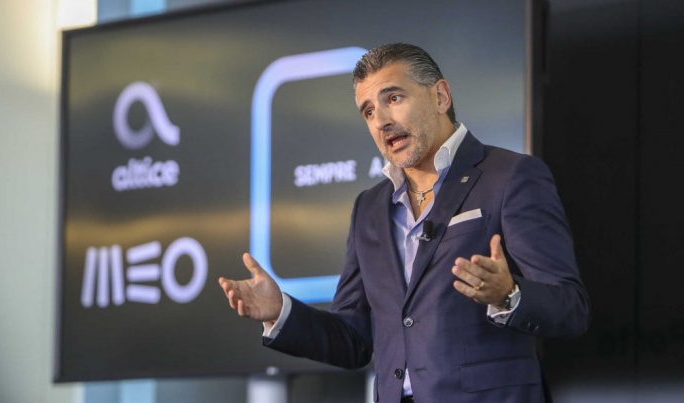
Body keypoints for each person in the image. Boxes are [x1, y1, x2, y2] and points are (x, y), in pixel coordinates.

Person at [219, 43, 590, 403]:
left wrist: (508, 294)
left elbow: (570, 308)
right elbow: (354, 339)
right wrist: (281, 311)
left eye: (393, 98)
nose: (381, 121)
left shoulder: (510, 176)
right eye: (368, 111)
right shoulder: (369, 208)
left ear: (440, 96)